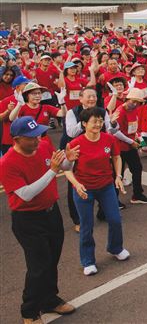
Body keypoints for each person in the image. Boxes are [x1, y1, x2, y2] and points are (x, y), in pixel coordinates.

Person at [0, 117, 78, 323]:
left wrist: (69, 159)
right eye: (31, 137)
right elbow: (26, 194)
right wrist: (52, 170)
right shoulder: (7, 162)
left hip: (51, 213)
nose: (37, 140)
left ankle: (50, 300)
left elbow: (65, 167)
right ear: (16, 139)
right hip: (28, 219)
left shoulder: (44, 145)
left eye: (38, 134)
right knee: (39, 265)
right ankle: (30, 310)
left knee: (52, 259)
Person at [63, 107, 131, 276]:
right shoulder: (75, 143)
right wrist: (76, 185)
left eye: (101, 121)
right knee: (87, 226)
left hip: (106, 186)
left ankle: (116, 248)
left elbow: (116, 157)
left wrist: (118, 176)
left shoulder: (109, 139)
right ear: (84, 124)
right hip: (84, 189)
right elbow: (67, 169)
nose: (98, 124)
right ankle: (88, 261)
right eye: (94, 121)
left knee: (115, 219)